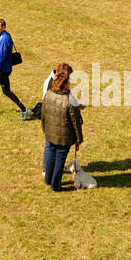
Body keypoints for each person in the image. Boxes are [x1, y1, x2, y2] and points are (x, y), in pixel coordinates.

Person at [42, 63, 84, 192]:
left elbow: (43, 114)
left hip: (49, 132)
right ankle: (56, 185)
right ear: (65, 83)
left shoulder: (49, 93)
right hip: (64, 136)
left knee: (50, 155)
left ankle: (48, 179)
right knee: (60, 159)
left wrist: (45, 129)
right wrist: (79, 139)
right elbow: (76, 122)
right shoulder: (70, 100)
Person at [0, 18, 30, 119]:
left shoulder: (4, 39)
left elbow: (2, 56)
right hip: (4, 68)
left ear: (4, 27)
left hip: (3, 70)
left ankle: (24, 109)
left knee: (6, 91)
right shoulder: (4, 36)